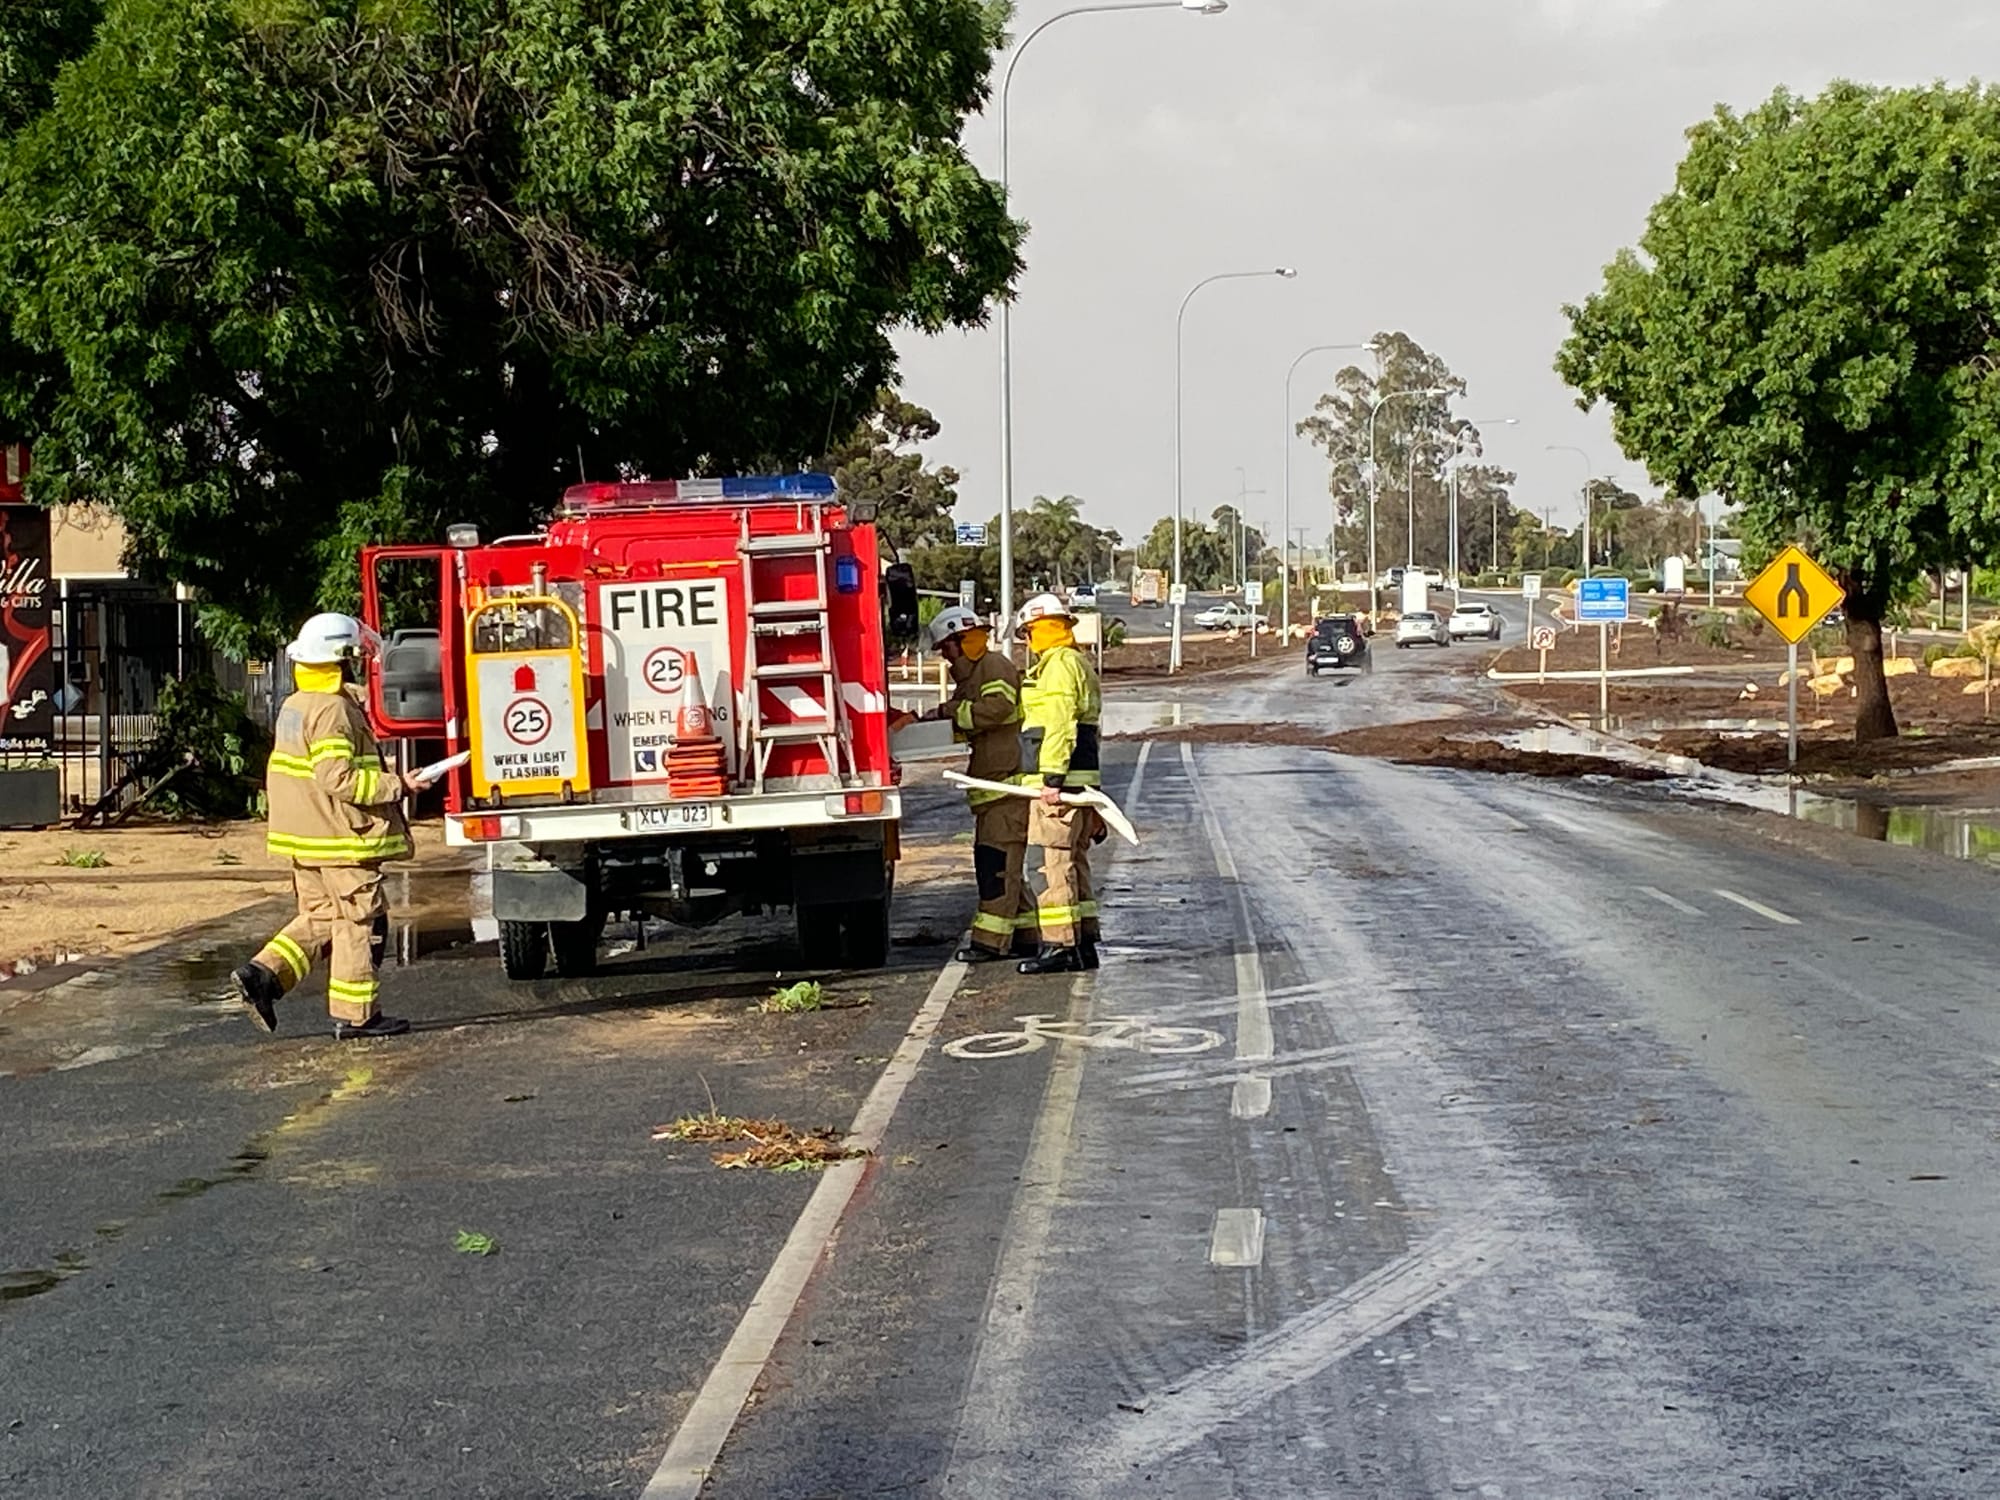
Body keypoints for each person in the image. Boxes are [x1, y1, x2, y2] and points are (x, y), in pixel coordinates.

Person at [231, 612, 420, 1039]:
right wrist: (400, 785)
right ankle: (358, 1017)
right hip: (341, 839)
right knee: (358, 921)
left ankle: (262, 975)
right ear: (341, 661)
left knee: (320, 915)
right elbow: (338, 778)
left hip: (307, 839)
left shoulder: (298, 705)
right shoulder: (333, 711)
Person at [926, 605, 1035, 963]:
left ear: (962, 639)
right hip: (995, 790)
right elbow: (965, 705)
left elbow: (997, 708)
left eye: (946, 648)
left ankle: (990, 943)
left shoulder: (993, 666)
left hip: (1006, 788)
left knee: (996, 867)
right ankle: (1027, 934)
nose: (945, 656)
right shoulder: (974, 675)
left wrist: (952, 714)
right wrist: (935, 717)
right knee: (1006, 866)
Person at [1014, 592, 1104, 976]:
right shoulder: (1075, 661)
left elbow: (1059, 725)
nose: (1028, 643)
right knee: (1073, 861)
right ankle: (1082, 942)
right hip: (1077, 782)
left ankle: (1059, 945)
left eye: (1029, 633)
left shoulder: (1058, 666)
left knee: (1051, 864)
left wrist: (1052, 779)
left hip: (1059, 785)